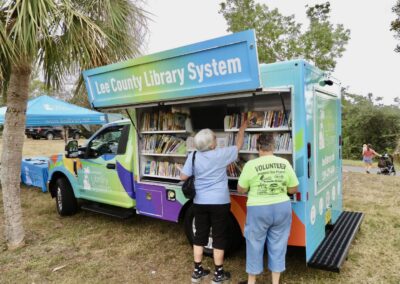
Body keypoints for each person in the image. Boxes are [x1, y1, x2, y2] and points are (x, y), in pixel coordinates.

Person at [180, 120, 247, 284]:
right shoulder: (221, 154)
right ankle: (218, 274)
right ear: (211, 145)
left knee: (200, 235)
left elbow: (183, 177)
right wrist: (242, 128)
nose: (217, 140)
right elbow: (238, 145)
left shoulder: (193, 156)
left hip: (200, 202)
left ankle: (197, 271)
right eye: (215, 138)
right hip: (220, 202)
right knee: (219, 236)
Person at [237, 134, 299, 284]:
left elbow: (241, 189)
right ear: (273, 147)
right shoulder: (284, 163)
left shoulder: (250, 165)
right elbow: (293, 189)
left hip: (258, 209)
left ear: (258, 148)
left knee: (254, 244)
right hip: (282, 208)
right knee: (278, 245)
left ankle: (251, 281)